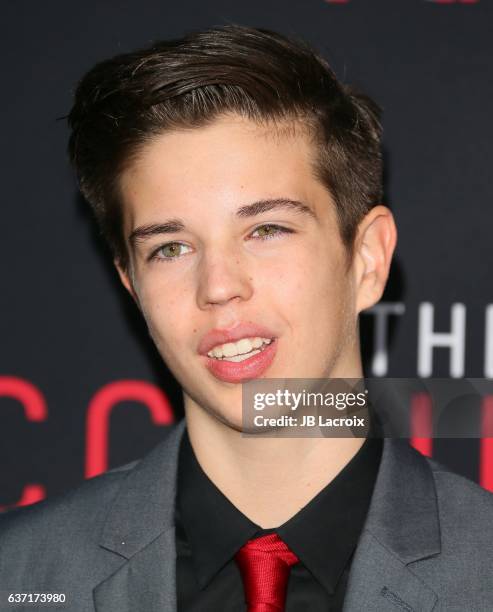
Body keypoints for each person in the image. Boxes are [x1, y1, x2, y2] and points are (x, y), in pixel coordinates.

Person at [1, 24, 492, 612]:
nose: (219, 288)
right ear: (131, 285)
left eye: (266, 230)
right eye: (171, 248)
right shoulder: (21, 573)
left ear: (367, 259)